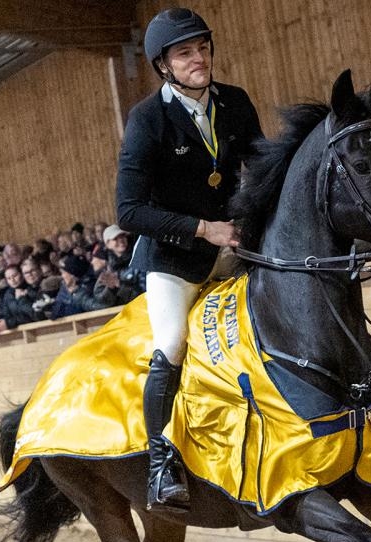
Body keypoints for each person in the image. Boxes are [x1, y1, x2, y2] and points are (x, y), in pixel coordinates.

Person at [115, 7, 263, 511]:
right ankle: (161, 465)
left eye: (203, 48)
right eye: (185, 53)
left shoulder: (236, 103)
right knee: (173, 344)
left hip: (235, 247)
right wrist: (203, 229)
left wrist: (252, 223)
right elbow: (129, 210)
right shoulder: (147, 120)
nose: (199, 58)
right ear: (164, 65)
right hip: (175, 260)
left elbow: (262, 172)